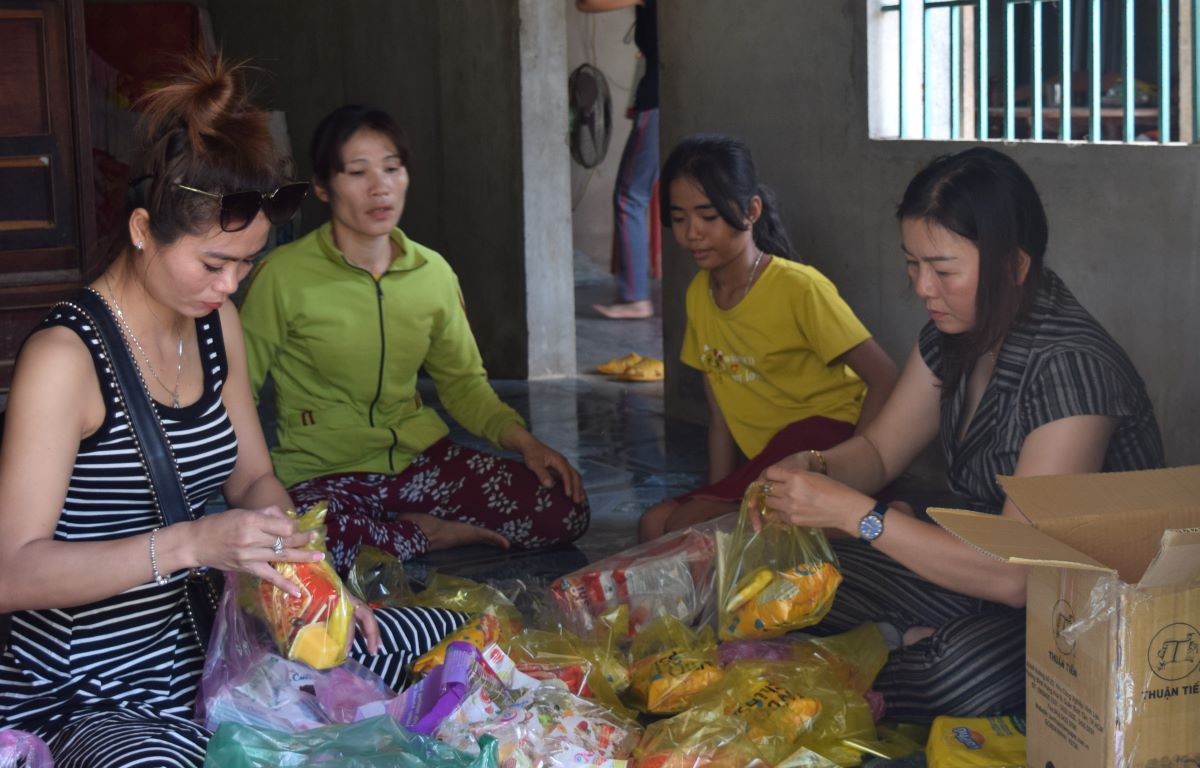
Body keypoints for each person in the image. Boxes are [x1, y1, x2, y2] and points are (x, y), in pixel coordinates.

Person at [0, 57, 468, 767]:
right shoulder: (67, 357)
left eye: (246, 265)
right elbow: (12, 572)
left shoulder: (215, 327)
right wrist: (192, 544)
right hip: (92, 685)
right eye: (213, 263)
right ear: (140, 229)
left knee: (452, 639)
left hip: (207, 645)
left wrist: (321, 587)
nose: (230, 284)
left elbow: (253, 482)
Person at [756, 146, 1165, 721]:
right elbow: (876, 451)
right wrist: (817, 470)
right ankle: (891, 644)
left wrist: (860, 517)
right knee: (790, 581)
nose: (923, 287)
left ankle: (883, 655)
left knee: (952, 674)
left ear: (1013, 266)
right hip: (980, 572)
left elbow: (1017, 575)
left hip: (1076, 607)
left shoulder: (1072, 371)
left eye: (943, 270)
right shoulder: (955, 336)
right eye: (912, 264)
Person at [240, 105, 590, 576]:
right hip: (322, 471)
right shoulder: (283, 276)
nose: (379, 186)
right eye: (358, 172)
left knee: (561, 510)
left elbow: (464, 384)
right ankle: (426, 533)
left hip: (419, 462)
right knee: (309, 546)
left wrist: (527, 443)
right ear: (323, 187)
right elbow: (238, 387)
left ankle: (392, 533)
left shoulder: (432, 274)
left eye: (392, 168)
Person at [638, 134, 898, 541]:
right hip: (771, 459)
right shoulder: (697, 296)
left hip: (822, 442)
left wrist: (855, 472)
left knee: (689, 528)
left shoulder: (798, 287)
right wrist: (715, 491)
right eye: (680, 217)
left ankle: (872, 512)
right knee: (656, 525)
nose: (692, 233)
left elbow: (884, 376)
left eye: (708, 216)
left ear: (751, 210)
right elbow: (720, 417)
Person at [576, 0, 659, 319]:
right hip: (666, 94)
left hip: (658, 100)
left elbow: (587, 3)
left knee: (630, 196)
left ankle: (636, 297)